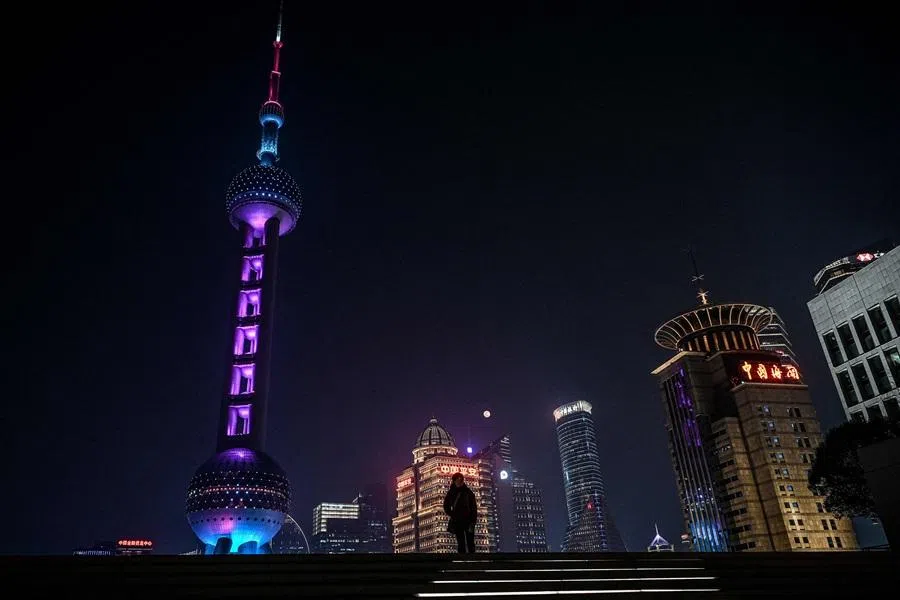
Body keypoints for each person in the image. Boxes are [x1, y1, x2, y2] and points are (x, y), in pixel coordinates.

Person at [443, 472, 478, 553]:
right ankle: (463, 562)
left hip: (468, 520)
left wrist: (473, 521)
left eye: (461, 480)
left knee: (470, 543)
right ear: (454, 481)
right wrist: (452, 514)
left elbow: (473, 508)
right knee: (460, 542)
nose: (460, 482)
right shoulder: (451, 492)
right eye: (458, 480)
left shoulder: (468, 492)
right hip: (458, 521)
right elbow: (446, 506)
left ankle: (472, 562)